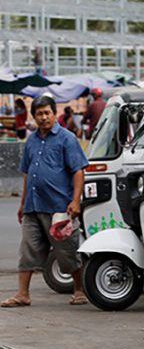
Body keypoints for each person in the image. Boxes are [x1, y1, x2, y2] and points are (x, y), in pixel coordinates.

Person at [2, 95, 90, 307]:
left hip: (59, 207)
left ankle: (79, 290)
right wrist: (23, 204)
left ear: (54, 114)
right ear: (34, 117)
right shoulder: (31, 141)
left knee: (66, 251)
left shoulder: (67, 139)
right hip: (33, 206)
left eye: (47, 113)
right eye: (39, 114)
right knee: (27, 250)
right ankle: (23, 294)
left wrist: (75, 201)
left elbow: (78, 171)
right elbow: (27, 173)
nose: (43, 117)